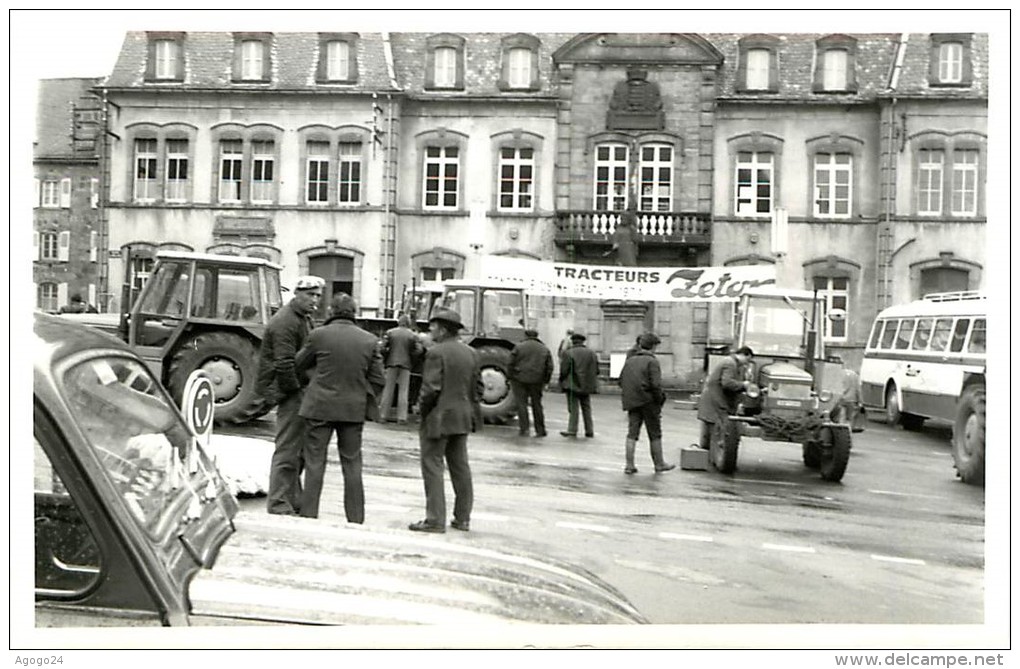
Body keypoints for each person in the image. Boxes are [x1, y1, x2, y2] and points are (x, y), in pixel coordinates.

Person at [294, 293, 385, 523]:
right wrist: (362, 395)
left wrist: (314, 379)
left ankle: (309, 514)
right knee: (352, 464)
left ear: (331, 311)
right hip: (353, 409)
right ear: (354, 312)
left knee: (315, 462)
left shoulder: (318, 336)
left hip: (319, 406)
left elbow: (298, 364)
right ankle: (355, 519)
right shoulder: (368, 340)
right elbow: (378, 379)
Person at [409, 307, 483, 533]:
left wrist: (421, 410)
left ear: (442, 329)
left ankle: (435, 520)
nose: (430, 330)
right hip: (462, 417)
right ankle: (463, 518)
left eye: (433, 326)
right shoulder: (471, 353)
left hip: (438, 418)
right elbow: (478, 388)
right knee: (460, 467)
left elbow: (430, 389)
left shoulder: (435, 353)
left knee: (432, 466)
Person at [258, 275, 323, 515]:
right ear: (297, 293)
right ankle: (278, 502)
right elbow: (284, 363)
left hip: (297, 389)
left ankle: (292, 498)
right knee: (288, 449)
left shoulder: (302, 318)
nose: (314, 300)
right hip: (291, 391)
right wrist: (296, 391)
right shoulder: (286, 321)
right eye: (310, 295)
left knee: (299, 450)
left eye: (317, 295)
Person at [619, 333, 675, 474]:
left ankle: (629, 465)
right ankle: (659, 464)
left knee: (632, 433)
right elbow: (655, 385)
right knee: (655, 433)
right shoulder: (652, 362)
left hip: (632, 401)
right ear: (654, 346)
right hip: (649, 401)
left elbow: (621, 381)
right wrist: (660, 399)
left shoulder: (630, 360)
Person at [697, 346, 754, 450]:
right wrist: (744, 385)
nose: (746, 363)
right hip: (716, 400)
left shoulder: (731, 362)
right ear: (743, 355)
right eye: (747, 360)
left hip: (714, 399)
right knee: (721, 431)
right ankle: (710, 455)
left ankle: (707, 454)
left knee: (712, 430)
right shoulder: (730, 363)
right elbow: (727, 383)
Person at [509, 328, 554, 438]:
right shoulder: (544, 349)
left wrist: (511, 376)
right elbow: (550, 367)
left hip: (520, 379)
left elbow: (510, 363)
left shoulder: (519, 347)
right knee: (537, 405)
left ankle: (524, 429)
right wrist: (546, 380)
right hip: (537, 380)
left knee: (522, 404)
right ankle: (540, 430)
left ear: (525, 335)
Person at [378, 315, 423, 425]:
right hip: (406, 365)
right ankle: (402, 417)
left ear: (399, 322)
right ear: (408, 323)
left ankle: (383, 415)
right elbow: (419, 350)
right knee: (404, 391)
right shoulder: (413, 335)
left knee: (388, 390)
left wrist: (387, 355)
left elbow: (382, 347)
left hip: (391, 363)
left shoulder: (390, 332)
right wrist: (411, 356)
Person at [559, 331, 600, 438]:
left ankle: (572, 429)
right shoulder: (592, 353)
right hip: (587, 385)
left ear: (573, 341)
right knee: (586, 408)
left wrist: (561, 382)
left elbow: (564, 370)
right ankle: (589, 430)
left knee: (573, 408)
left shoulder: (568, 353)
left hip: (572, 384)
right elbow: (597, 370)